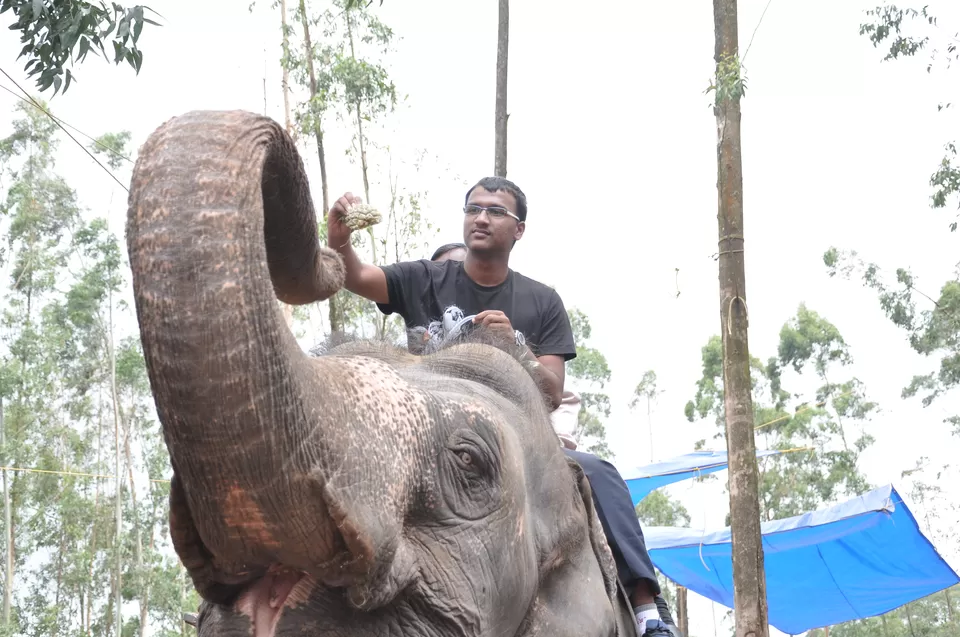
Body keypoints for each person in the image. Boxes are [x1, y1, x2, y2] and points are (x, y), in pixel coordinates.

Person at [326, 177, 678, 636]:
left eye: (495, 211)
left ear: (519, 230)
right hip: (423, 442)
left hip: (517, 449)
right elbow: (357, 276)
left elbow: (551, 391)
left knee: (599, 473)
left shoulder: (541, 301)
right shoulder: (424, 279)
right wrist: (339, 244)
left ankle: (647, 607)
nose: (481, 218)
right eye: (473, 209)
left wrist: (516, 344)